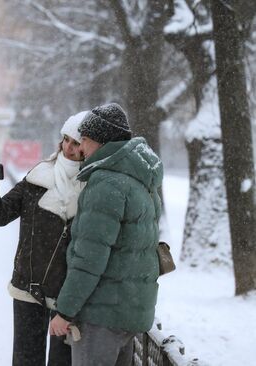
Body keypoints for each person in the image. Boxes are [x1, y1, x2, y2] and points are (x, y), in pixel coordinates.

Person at [49, 103, 163, 366]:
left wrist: (64, 312)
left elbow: (89, 259)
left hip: (101, 316)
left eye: (84, 141)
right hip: (130, 312)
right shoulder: (139, 180)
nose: (79, 149)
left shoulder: (106, 184)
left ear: (100, 141)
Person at [0, 112, 87, 366]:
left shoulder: (93, 186)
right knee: (26, 360)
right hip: (29, 287)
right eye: (66, 139)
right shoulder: (38, 176)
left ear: (87, 147)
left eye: (77, 142)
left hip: (67, 296)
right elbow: (0, 216)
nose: (69, 147)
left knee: (62, 362)